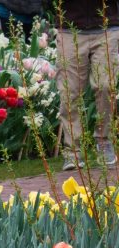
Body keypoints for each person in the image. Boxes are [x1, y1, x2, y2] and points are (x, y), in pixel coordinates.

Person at [56, 0, 119, 170]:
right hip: (70, 27)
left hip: (106, 26)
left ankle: (103, 140)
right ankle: (72, 151)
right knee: (69, 92)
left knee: (106, 85)